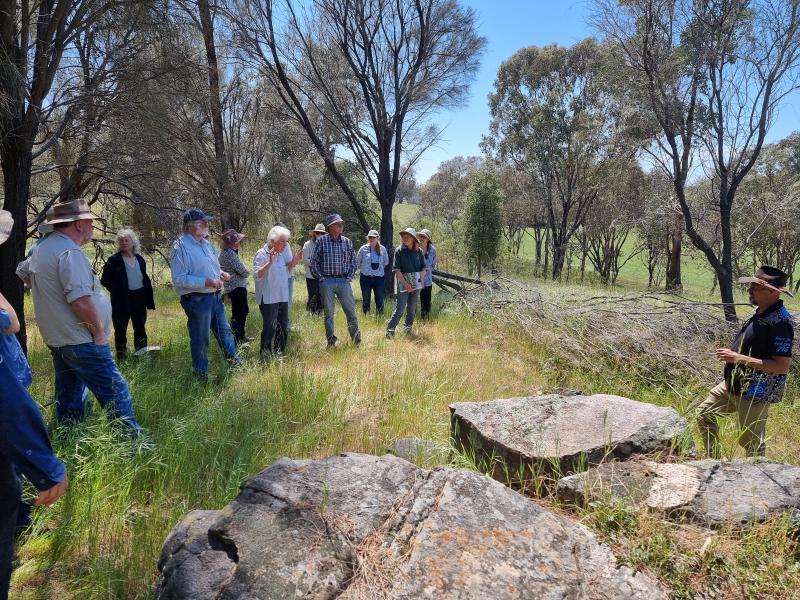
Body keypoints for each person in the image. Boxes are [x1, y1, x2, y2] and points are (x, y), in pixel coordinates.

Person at [25, 199, 143, 435]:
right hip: (81, 339)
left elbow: (24, 274)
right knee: (115, 390)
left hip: (59, 337)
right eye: (90, 222)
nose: (92, 227)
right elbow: (79, 299)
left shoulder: (41, 248)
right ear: (79, 224)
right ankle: (134, 444)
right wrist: (98, 333)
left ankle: (71, 437)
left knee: (70, 393)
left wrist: (50, 298)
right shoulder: (69, 251)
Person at [697, 266, 795, 458]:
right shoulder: (758, 311)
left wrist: (738, 358)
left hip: (755, 391)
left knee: (751, 442)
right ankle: (714, 462)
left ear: (771, 291)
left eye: (755, 287)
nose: (749, 290)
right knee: (704, 414)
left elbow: (781, 366)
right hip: (733, 384)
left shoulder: (781, 322)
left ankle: (757, 481)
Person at [169, 208, 239, 379]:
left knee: (225, 333)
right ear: (194, 226)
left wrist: (220, 273)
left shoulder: (206, 243)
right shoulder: (180, 247)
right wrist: (207, 282)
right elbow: (179, 279)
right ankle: (201, 376)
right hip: (197, 300)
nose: (208, 225)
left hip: (215, 298)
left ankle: (235, 366)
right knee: (201, 339)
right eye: (204, 222)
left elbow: (211, 266)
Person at [100, 228, 155, 358]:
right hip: (121, 300)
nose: (124, 243)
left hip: (139, 298)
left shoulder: (140, 259)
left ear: (133, 242)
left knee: (140, 327)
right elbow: (105, 280)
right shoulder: (114, 260)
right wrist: (118, 290)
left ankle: (141, 354)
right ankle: (121, 356)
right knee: (120, 329)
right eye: (121, 241)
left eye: (126, 240)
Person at [311, 213, 361, 347]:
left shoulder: (347, 241)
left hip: (344, 281)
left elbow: (354, 262)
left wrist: (349, 277)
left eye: (341, 223)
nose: (341, 226)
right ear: (330, 227)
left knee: (351, 311)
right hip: (327, 281)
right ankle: (331, 342)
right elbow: (314, 262)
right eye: (337, 224)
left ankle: (356, 339)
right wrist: (321, 278)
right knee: (329, 314)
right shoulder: (321, 241)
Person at [253, 226, 302, 356]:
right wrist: (270, 262)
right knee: (270, 327)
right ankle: (266, 353)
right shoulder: (261, 253)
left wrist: (294, 262)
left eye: (286, 242)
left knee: (283, 326)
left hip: (282, 296)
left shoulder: (280, 255)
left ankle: (280, 352)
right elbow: (257, 275)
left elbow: (285, 272)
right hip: (269, 298)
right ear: (272, 241)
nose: (285, 245)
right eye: (283, 242)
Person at [386, 228, 425, 338]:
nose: (405, 238)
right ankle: (390, 331)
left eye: (407, 236)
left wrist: (420, 283)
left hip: (416, 283)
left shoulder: (419, 251)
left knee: (412, 309)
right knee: (400, 309)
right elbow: (397, 271)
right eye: (403, 236)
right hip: (403, 282)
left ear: (413, 238)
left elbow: (423, 269)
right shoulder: (399, 251)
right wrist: (407, 285)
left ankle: (407, 330)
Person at [218, 229, 250, 344]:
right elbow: (243, 271)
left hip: (235, 288)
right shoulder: (230, 254)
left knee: (243, 311)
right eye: (238, 241)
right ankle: (237, 339)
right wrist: (247, 271)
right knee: (238, 314)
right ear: (233, 243)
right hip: (236, 288)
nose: (239, 243)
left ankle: (241, 336)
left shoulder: (227, 252)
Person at [356, 229, 389, 315]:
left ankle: (379, 318)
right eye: (370, 237)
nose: (371, 239)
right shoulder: (363, 249)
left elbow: (386, 262)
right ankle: (366, 317)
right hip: (365, 278)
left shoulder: (383, 249)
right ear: (367, 238)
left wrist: (377, 270)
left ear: (377, 238)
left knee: (379, 299)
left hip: (379, 279)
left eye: (373, 237)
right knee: (366, 299)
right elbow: (357, 262)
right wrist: (366, 269)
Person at [302, 223, 326, 314]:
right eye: (318, 233)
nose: (320, 235)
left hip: (322, 275)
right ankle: (311, 314)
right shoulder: (307, 245)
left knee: (321, 295)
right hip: (311, 275)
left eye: (322, 233)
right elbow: (305, 260)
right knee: (312, 295)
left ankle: (319, 314)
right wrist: (317, 263)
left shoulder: (325, 245)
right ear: (314, 233)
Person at [417, 228, 437, 320]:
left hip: (427, 279)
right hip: (416, 278)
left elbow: (433, 264)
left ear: (428, 239)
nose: (421, 238)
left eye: (423, 237)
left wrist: (427, 269)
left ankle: (426, 319)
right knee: (415, 301)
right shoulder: (415, 248)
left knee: (427, 301)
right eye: (420, 236)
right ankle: (415, 319)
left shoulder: (432, 250)